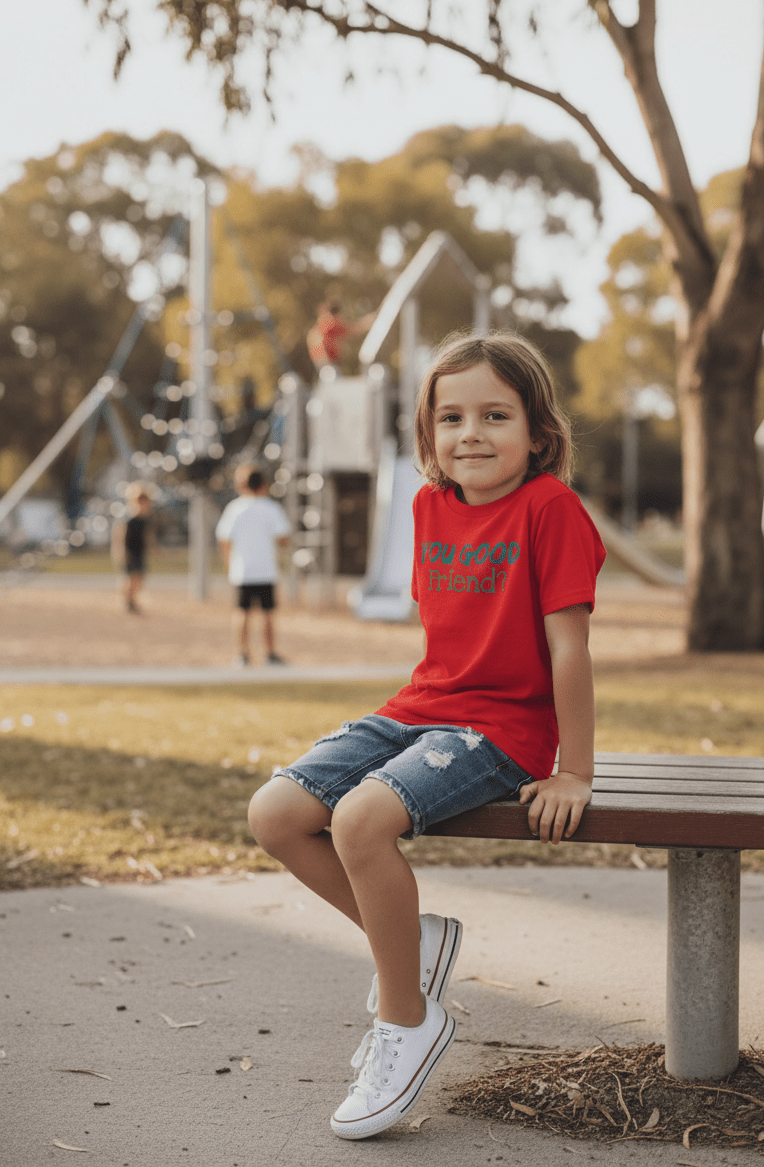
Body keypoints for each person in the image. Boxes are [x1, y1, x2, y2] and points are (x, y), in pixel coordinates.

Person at [247, 331, 606, 1140]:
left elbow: (570, 647)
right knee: (274, 813)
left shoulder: (551, 509)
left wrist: (573, 771)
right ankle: (416, 938)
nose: (470, 433)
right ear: (428, 434)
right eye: (451, 418)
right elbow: (446, 638)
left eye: (494, 415)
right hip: (423, 703)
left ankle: (407, 1022)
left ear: (538, 432)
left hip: (505, 727)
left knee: (358, 821)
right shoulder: (426, 505)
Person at [215, 465, 292, 666]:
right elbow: (284, 538)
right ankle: (270, 653)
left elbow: (224, 538)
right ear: (263, 485)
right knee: (268, 614)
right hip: (266, 570)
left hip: (242, 571)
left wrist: (228, 563)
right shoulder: (271, 508)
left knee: (242, 613)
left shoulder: (235, 508)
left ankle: (242, 654)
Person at [111, 483, 155, 614]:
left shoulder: (144, 520)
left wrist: (154, 548)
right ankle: (128, 601)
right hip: (129, 551)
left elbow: (148, 536)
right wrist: (119, 551)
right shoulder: (128, 518)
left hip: (140, 551)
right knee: (130, 579)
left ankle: (131, 600)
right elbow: (119, 535)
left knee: (139, 579)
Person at [306, 299, 376, 373]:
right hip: (327, 364)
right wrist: (368, 321)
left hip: (324, 362)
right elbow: (352, 329)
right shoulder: (330, 323)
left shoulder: (323, 323)